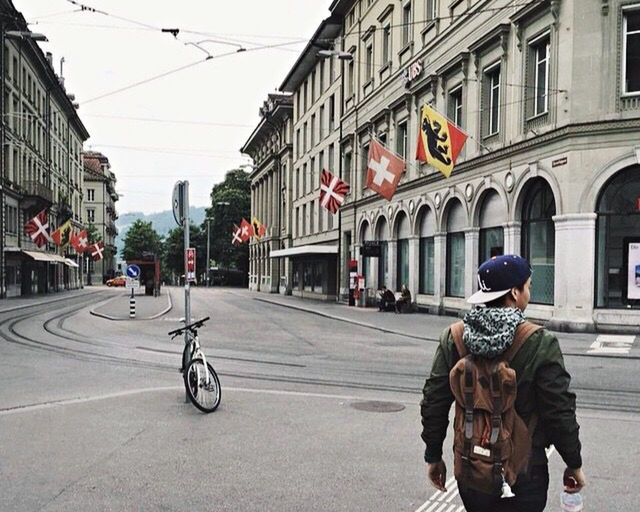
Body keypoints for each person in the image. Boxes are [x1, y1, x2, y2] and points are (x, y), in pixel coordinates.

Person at [420, 254, 585, 512]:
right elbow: (559, 410)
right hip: (525, 472)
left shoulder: (454, 338)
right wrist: (573, 463)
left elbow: (433, 402)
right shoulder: (540, 342)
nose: (529, 292)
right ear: (514, 293)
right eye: (528, 286)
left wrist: (434, 456)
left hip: (471, 468)